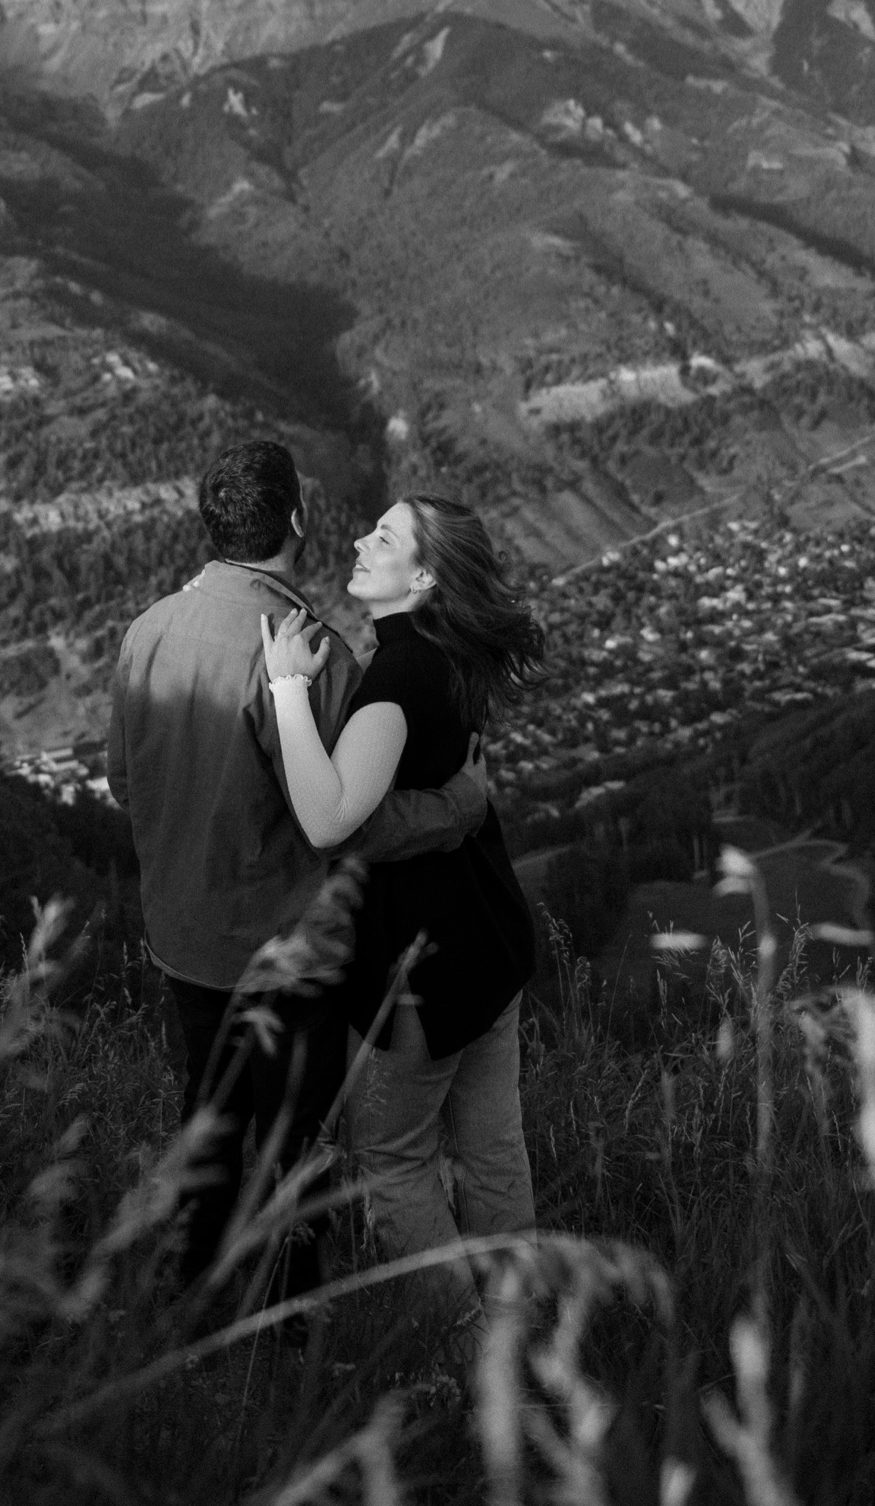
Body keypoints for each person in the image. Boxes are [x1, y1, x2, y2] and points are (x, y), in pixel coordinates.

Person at [106, 441, 489, 1295]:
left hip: (183, 940)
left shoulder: (146, 632)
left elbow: (122, 781)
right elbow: (350, 823)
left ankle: (195, 1307)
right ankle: (290, 1330)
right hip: (286, 954)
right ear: (298, 521)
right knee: (296, 1152)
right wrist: (457, 809)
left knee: (207, 1123)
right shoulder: (312, 655)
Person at [259, 492, 544, 1335]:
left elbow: (329, 817)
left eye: (382, 536)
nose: (358, 538)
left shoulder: (400, 672)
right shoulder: (454, 655)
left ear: (421, 576)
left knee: (394, 1163)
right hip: (490, 948)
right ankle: (516, 1331)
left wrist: (283, 689)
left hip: (420, 967)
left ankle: (463, 1349)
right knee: (494, 1151)